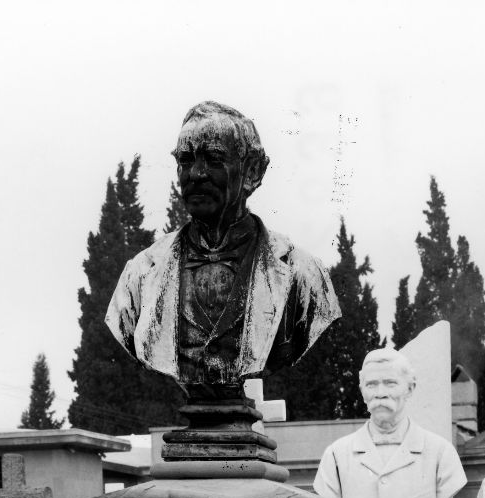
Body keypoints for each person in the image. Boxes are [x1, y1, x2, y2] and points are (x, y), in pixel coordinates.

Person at [106, 100, 339, 392]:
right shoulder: (138, 277)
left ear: (253, 172)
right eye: (186, 160)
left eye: (214, 159)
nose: (196, 174)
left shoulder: (303, 276)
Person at [313, 348, 466, 498]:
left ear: (410, 388)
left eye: (390, 383)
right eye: (371, 384)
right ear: (362, 391)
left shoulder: (442, 454)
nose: (380, 393)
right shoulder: (335, 456)